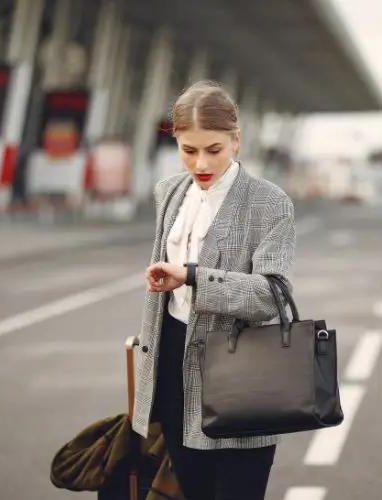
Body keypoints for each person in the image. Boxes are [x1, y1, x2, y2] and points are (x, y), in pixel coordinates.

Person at [131, 80, 297, 500]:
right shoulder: (168, 193)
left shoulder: (269, 203)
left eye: (214, 149)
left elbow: (269, 296)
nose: (201, 162)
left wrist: (192, 276)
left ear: (236, 141)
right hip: (173, 371)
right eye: (189, 150)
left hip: (241, 379)